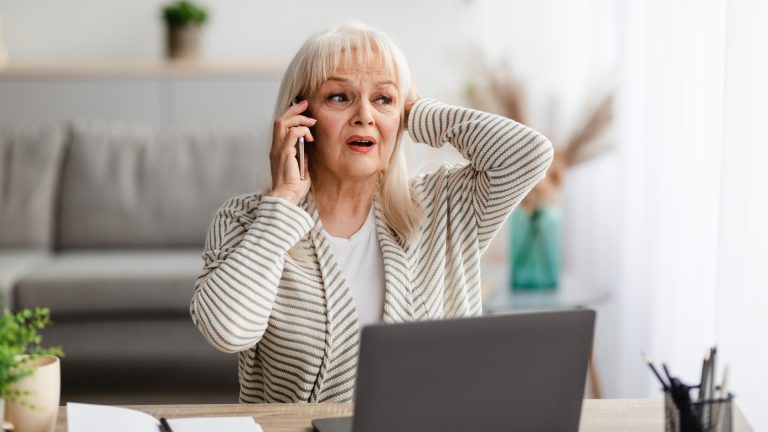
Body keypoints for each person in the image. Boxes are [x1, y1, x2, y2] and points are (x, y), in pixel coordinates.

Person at [190, 22, 553, 403]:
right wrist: (282, 202)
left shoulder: (445, 205)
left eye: (382, 100)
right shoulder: (247, 221)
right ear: (300, 116)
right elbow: (226, 331)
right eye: (339, 97)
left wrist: (416, 111)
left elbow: (530, 155)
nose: (365, 116)